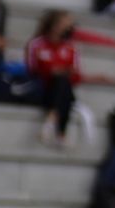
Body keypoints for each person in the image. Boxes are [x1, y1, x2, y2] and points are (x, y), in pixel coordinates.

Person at [24, 10, 82, 147]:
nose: (69, 28)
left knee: (63, 83)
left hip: (61, 89)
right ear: (54, 25)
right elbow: (31, 69)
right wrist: (51, 71)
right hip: (41, 88)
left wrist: (64, 72)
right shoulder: (36, 44)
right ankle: (60, 133)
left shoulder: (71, 48)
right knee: (61, 84)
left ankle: (51, 119)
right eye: (65, 25)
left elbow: (77, 76)